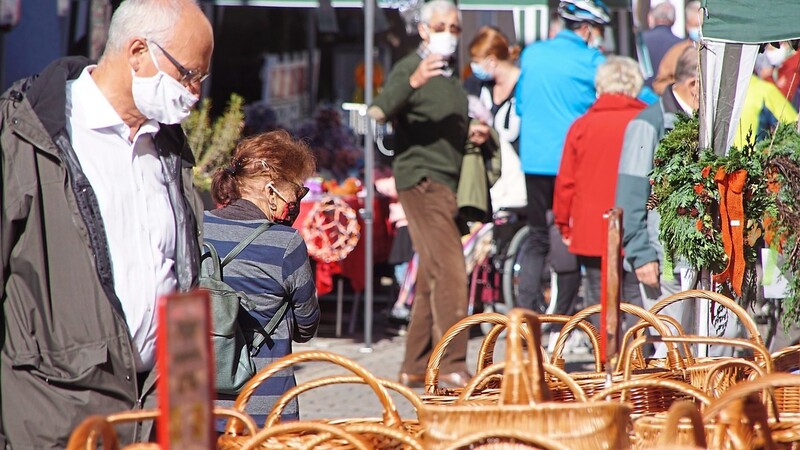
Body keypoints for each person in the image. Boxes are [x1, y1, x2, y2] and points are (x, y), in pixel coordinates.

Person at [0, 0, 212, 447]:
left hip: (154, 420)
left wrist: (190, 432)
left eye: (201, 79)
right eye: (188, 74)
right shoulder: (26, 137)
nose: (194, 92)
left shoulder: (167, 147)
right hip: (54, 422)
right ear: (138, 52)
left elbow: (180, 280)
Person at [368, 0, 485, 389]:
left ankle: (415, 365)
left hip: (444, 183)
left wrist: (474, 133)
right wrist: (413, 81)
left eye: (455, 27)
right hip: (422, 182)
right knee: (452, 271)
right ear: (423, 29)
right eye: (442, 26)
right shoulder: (411, 69)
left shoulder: (450, 76)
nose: (450, 33)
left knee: (434, 275)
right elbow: (379, 111)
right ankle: (451, 363)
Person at [204, 130, 320, 425]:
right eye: (298, 191)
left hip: (197, 401)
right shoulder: (286, 244)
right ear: (271, 191)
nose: (297, 201)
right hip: (263, 406)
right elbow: (306, 327)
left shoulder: (196, 225)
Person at [515, 0, 609, 319]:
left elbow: (521, 106)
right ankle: (563, 320)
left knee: (538, 236)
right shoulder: (592, 60)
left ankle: (524, 317)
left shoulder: (532, 54)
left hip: (533, 159)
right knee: (571, 234)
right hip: (571, 162)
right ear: (585, 29)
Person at [553, 56, 647, 328]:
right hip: (635, 222)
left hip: (591, 224)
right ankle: (637, 358)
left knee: (597, 295)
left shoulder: (581, 126)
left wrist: (563, 224)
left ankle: (602, 358)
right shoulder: (646, 120)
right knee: (634, 294)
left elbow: (566, 182)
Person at [466, 25, 526, 211]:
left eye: (476, 61)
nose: (473, 67)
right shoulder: (478, 86)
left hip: (518, 177)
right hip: (489, 174)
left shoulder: (525, 85)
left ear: (491, 61)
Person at [642, 1, 682, 85]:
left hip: (643, 94)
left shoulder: (641, 40)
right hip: (669, 94)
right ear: (674, 20)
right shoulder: (682, 44)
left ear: (652, 18)